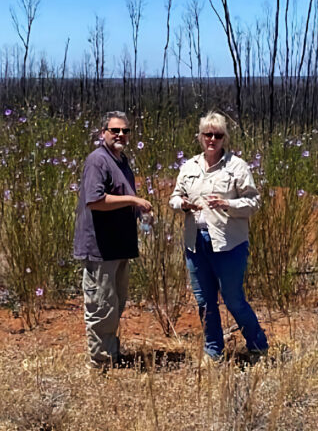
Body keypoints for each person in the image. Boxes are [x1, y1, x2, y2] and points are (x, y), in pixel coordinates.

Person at [169, 111, 268, 364]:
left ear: (225, 138)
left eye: (218, 135)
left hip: (228, 243)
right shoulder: (189, 166)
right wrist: (182, 204)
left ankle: (257, 345)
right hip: (195, 242)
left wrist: (227, 204)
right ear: (200, 137)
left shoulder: (237, 167)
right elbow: (173, 197)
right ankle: (213, 351)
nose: (212, 139)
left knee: (233, 298)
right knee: (205, 301)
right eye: (207, 134)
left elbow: (254, 202)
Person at [73, 111, 153, 371]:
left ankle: (110, 353)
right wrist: (133, 200)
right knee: (101, 305)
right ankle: (100, 363)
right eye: (115, 130)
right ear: (102, 132)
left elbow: (119, 194)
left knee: (115, 302)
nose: (120, 135)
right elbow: (95, 201)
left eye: (125, 131)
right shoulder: (97, 161)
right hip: (101, 248)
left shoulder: (121, 160)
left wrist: (140, 210)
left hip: (120, 246)